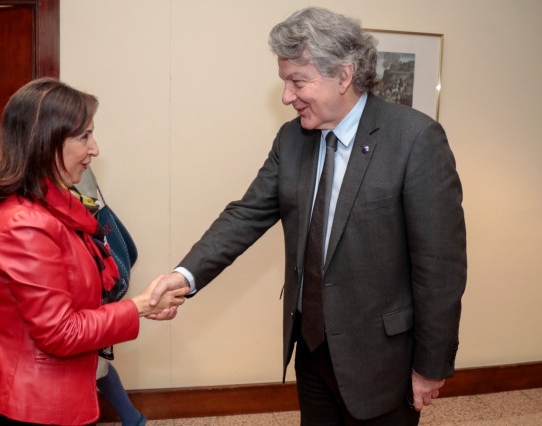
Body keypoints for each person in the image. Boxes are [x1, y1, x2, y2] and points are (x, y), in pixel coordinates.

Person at [148, 7, 466, 425]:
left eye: (298, 81)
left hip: (380, 358)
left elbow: (440, 267)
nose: (287, 96)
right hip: (310, 347)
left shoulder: (415, 139)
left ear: (343, 75)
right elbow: (245, 215)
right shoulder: (292, 138)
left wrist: (430, 365)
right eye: (285, 81)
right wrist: (184, 276)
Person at [0, 77, 188, 426]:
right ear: (45, 141)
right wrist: (141, 305)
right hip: (38, 402)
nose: (95, 148)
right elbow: (60, 332)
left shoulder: (55, 203)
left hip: (57, 384)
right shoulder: (26, 224)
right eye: (84, 137)